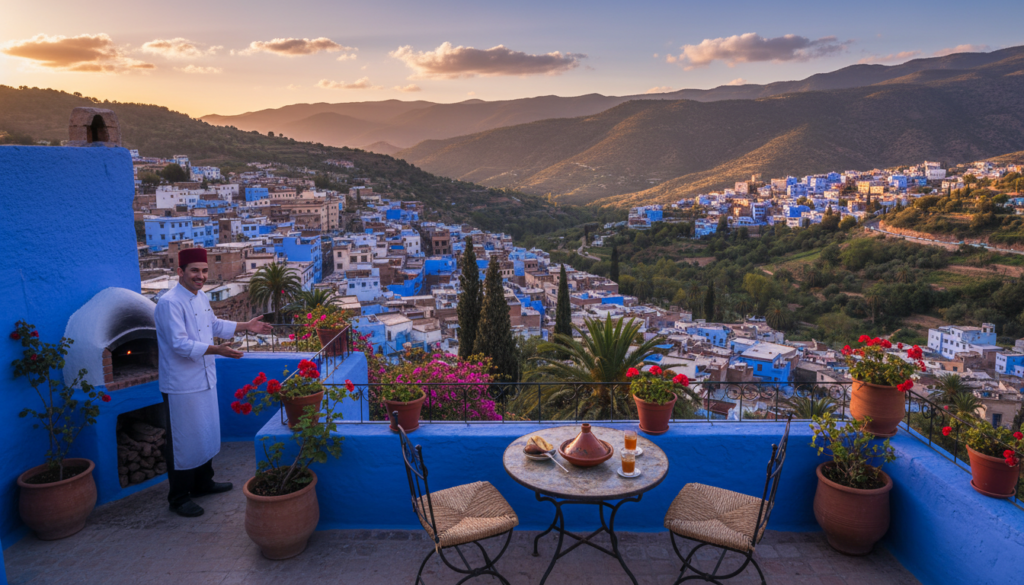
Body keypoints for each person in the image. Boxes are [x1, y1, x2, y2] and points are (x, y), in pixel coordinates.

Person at [155, 247, 273, 517]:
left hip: (204, 378)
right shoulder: (169, 302)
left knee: (205, 432)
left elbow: (214, 325)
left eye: (204, 271)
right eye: (194, 270)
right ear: (180, 272)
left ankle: (203, 483)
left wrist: (247, 326)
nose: (200, 276)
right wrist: (218, 350)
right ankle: (179, 497)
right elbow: (179, 344)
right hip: (182, 384)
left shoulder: (200, 297)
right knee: (184, 440)